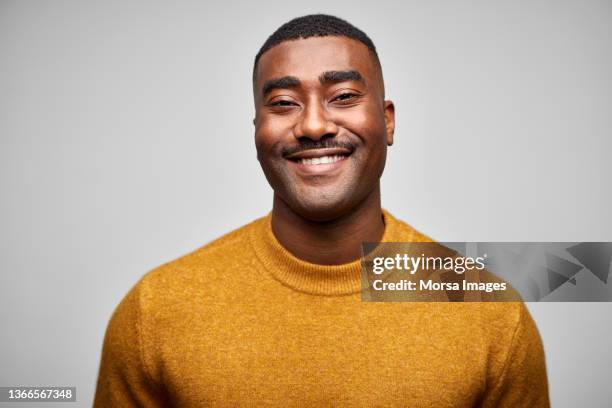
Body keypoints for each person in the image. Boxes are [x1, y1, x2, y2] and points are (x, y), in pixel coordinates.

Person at [94, 14, 549, 407]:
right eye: (284, 104)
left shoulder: (488, 310)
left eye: (345, 96)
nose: (313, 125)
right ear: (257, 132)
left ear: (387, 121)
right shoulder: (155, 311)